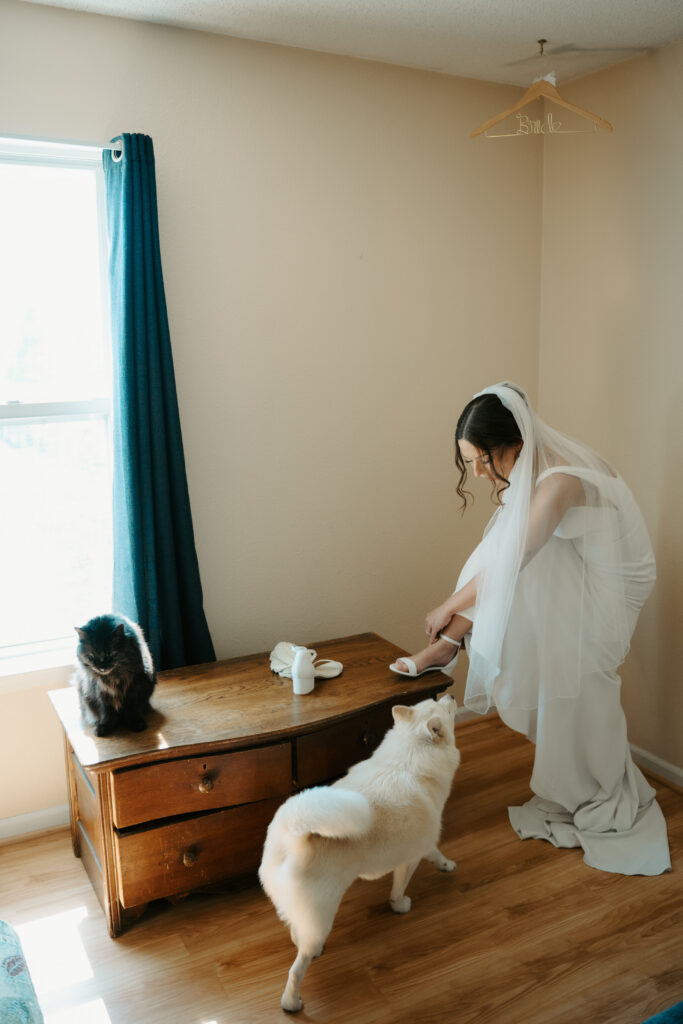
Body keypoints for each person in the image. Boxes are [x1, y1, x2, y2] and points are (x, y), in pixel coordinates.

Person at [390, 382, 670, 875]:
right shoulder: (536, 473)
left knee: (518, 561)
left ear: (512, 445)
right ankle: (451, 642)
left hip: (614, 588)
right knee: (509, 547)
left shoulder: (558, 483)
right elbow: (508, 556)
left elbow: (512, 563)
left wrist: (444, 607)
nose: (476, 472)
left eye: (481, 459)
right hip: (580, 565)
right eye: (470, 461)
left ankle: (447, 643)